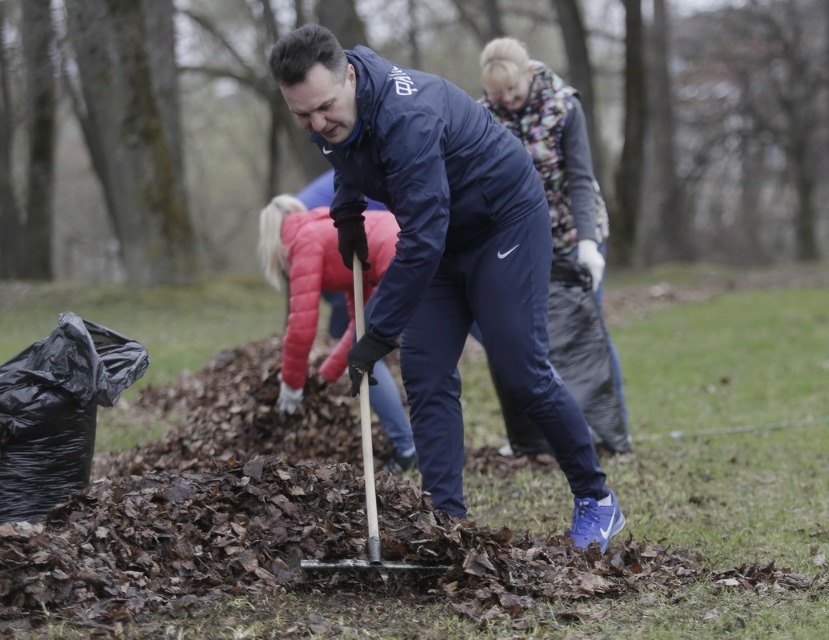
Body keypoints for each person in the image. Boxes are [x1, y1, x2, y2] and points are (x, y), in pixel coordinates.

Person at [268, 24, 626, 552]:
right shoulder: (335, 107)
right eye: (303, 116)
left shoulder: (405, 117)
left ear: (349, 76)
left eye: (324, 108)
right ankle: (446, 522)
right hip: (440, 233)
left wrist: (378, 333)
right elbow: (345, 152)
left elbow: (422, 240)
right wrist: (346, 215)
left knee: (520, 368)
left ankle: (597, 499)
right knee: (427, 371)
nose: (318, 123)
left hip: (501, 220)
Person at [478, 36, 630, 434]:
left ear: (529, 73)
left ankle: (612, 427)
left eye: (512, 89)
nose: (507, 99)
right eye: (497, 92)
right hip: (518, 242)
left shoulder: (565, 107)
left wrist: (586, 244)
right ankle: (541, 435)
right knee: (526, 336)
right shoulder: (482, 116)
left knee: (587, 328)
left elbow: (580, 178)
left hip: (571, 233)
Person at [257, 194, 417, 473]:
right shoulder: (324, 229)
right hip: (410, 250)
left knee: (365, 356)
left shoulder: (303, 240)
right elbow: (359, 325)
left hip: (397, 263)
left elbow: (301, 327)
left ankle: (407, 447)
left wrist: (292, 385)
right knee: (364, 350)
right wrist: (324, 378)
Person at [296, 170, 388, 340]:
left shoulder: (359, 162)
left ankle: (342, 346)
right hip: (321, 226)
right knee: (343, 300)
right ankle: (339, 345)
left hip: (309, 221)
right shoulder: (382, 174)